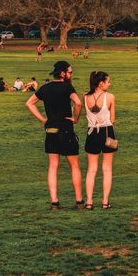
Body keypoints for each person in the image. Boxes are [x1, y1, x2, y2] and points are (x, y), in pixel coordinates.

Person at [25, 60, 83, 208]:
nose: (71, 74)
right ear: (63, 73)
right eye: (70, 72)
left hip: (50, 129)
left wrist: (43, 119)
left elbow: (29, 103)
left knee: (53, 166)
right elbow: (78, 103)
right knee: (74, 166)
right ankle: (79, 201)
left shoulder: (45, 88)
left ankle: (55, 202)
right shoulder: (67, 87)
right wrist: (75, 118)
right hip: (66, 129)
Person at [84, 71, 117, 210]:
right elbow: (113, 119)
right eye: (108, 81)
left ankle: (89, 202)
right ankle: (105, 202)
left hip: (91, 133)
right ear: (101, 83)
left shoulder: (86, 97)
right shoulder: (110, 97)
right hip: (107, 131)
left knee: (91, 170)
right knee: (107, 169)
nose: (110, 84)